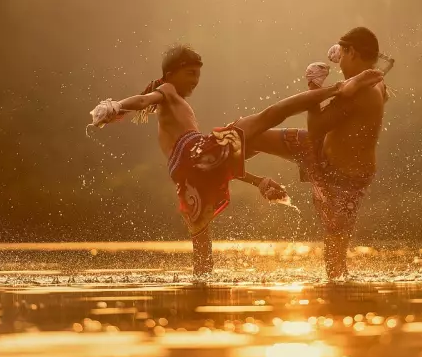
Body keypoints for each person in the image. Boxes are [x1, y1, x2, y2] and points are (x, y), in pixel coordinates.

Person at [88, 44, 384, 277]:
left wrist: (258, 181)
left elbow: (214, 167)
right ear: (172, 73)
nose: (195, 81)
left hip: (187, 175)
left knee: (202, 256)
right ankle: (332, 88)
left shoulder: (173, 106)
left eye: (198, 75)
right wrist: (116, 105)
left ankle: (200, 297)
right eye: (191, 74)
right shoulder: (165, 90)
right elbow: (142, 102)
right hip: (197, 150)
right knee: (268, 115)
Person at [246, 27, 389, 279]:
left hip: (342, 178)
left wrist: (313, 86)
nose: (340, 61)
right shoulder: (376, 82)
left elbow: (315, 128)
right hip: (324, 154)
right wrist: (346, 76)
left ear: (352, 52)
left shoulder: (362, 90)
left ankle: (339, 307)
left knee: (335, 267)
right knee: (251, 137)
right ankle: (221, 161)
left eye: (343, 55)